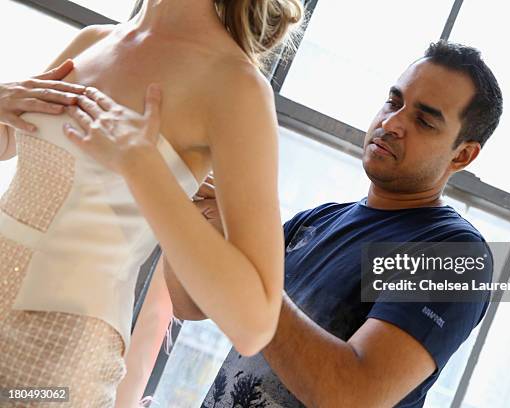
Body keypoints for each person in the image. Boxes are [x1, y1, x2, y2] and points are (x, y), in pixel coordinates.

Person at [164, 40, 503, 407]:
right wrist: (193, 221)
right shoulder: (317, 221)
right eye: (393, 101)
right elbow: (191, 303)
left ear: (463, 154)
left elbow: (351, 396)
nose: (391, 123)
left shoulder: (452, 253)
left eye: (423, 120)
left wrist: (250, 264)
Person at [0, 0, 303, 406]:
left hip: (54, 364)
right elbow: (11, 141)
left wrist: (141, 164)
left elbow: (253, 322)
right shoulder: (93, 39)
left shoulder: (236, 87)